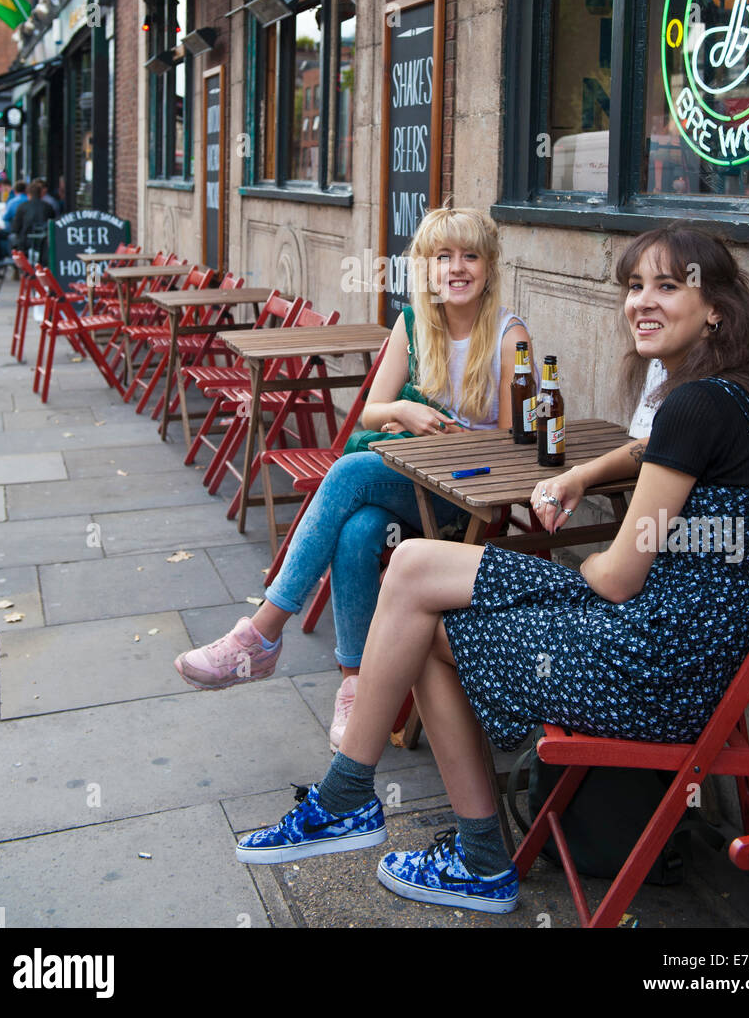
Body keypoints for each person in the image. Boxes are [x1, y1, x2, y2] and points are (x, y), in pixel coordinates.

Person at [231, 224, 749, 915]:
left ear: (713, 306)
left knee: (417, 603)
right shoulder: (748, 394)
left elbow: (617, 577)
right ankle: (362, 804)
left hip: (653, 661)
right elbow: (645, 450)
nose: (640, 303)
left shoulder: (694, 403)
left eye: (666, 285)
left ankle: (417, 831)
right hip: (688, 647)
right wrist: (578, 477)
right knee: (411, 568)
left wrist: (580, 561)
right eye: (632, 286)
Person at [174, 207, 538, 750]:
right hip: (408, 487)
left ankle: (262, 632)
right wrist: (409, 415)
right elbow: (372, 411)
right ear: (426, 268)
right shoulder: (414, 324)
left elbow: (517, 446)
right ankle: (355, 687)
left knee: (346, 473)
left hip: (465, 498)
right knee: (358, 532)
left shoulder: (511, 337)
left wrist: (449, 437)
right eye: (443, 257)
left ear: (489, 267)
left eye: (470, 257)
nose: (456, 268)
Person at [12, 180, 55, 260]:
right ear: (41, 194)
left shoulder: (22, 207)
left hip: (25, 244)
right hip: (43, 244)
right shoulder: (48, 207)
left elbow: (15, 228)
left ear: (28, 194)